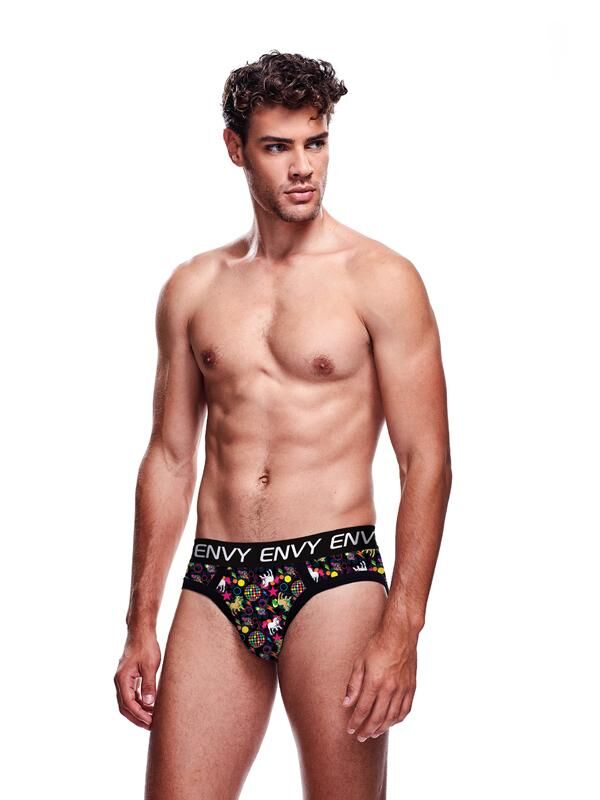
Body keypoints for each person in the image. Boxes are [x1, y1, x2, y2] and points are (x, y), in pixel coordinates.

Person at [114, 49, 452, 800]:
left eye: (316, 142)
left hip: (333, 574)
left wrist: (403, 629)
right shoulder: (193, 288)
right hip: (217, 577)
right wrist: (140, 621)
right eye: (277, 146)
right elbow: (170, 458)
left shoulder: (381, 279)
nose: (303, 167)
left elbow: (426, 460)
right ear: (235, 149)